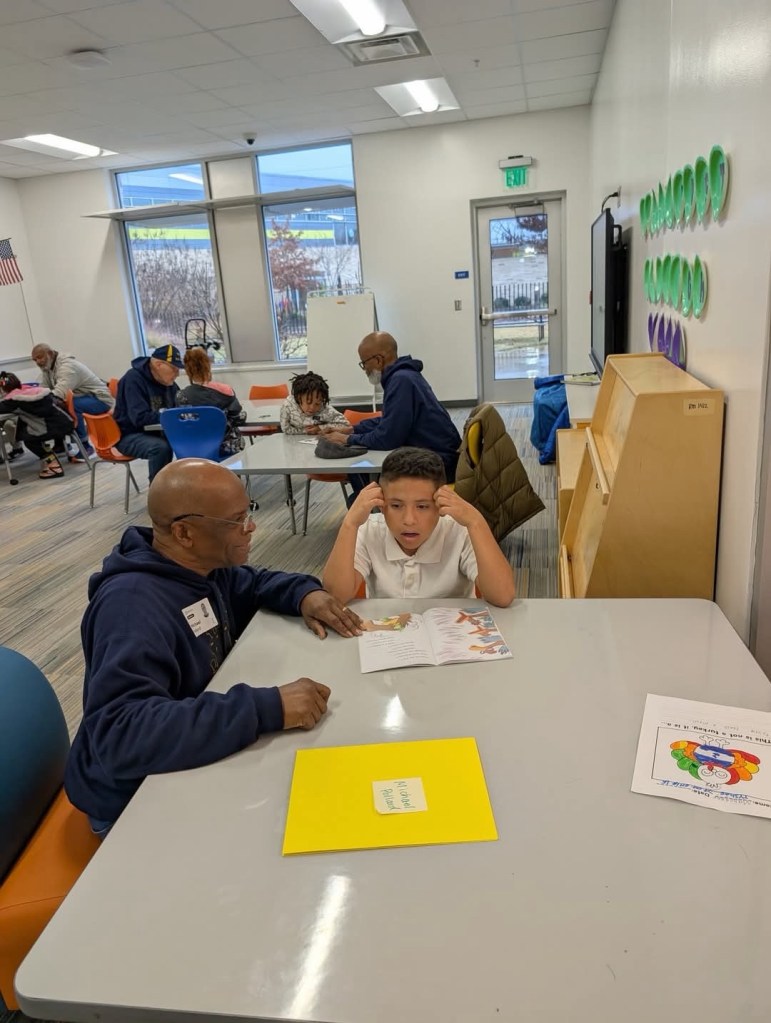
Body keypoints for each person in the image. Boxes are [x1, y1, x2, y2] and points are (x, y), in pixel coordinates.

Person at [64, 458, 364, 834]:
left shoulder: (199, 569)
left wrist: (304, 594)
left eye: (247, 513)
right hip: (133, 798)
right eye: (236, 520)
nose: (251, 527)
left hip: (184, 752)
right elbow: (121, 736)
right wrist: (267, 707)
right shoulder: (131, 608)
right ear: (184, 532)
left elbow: (253, 583)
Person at [322, 446, 515, 607]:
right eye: (396, 506)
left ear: (441, 503)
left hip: (450, 634)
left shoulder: (459, 530)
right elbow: (336, 596)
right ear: (381, 503)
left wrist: (476, 522)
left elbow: (503, 596)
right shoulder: (369, 530)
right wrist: (350, 524)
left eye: (422, 506)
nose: (409, 520)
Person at [322, 331, 462, 498]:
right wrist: (351, 430)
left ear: (378, 360)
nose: (364, 369)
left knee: (358, 475)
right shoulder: (405, 376)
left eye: (364, 363)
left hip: (438, 465)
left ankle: (374, 510)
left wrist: (347, 439)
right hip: (440, 458)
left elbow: (387, 438)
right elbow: (388, 421)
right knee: (360, 476)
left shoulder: (400, 381)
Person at [31, 343, 114, 460]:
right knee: (56, 405)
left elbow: (59, 393)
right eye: (35, 360)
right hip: (83, 397)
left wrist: (37, 400)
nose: (38, 362)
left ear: (50, 353)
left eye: (40, 357)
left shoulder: (67, 367)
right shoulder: (47, 367)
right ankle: (60, 444)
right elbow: (43, 389)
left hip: (100, 399)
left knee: (69, 406)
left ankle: (85, 446)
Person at [113, 344, 182, 482]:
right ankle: (157, 490)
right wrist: (170, 417)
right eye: (174, 369)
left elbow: (180, 408)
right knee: (160, 448)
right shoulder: (133, 380)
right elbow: (139, 417)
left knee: (191, 440)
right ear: (159, 365)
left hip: (159, 432)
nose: (177, 373)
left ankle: (189, 485)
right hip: (129, 435)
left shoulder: (169, 384)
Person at [0, 371, 75, 479]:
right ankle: (48, 453)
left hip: (51, 428)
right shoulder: (32, 390)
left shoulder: (14, 400)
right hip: (66, 422)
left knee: (29, 441)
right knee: (24, 429)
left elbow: (2, 407)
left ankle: (53, 466)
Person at [176, 347, 246, 457]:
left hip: (196, 449)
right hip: (226, 448)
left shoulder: (181, 396)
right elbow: (238, 418)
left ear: (188, 371)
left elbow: (184, 424)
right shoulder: (226, 391)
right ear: (208, 366)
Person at [279, 371, 348, 435]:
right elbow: (285, 429)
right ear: (298, 398)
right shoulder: (288, 406)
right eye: (308, 402)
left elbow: (346, 425)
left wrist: (321, 428)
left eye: (317, 404)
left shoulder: (325, 409)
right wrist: (304, 431)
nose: (312, 408)